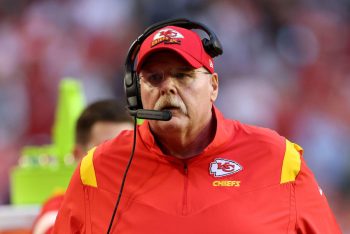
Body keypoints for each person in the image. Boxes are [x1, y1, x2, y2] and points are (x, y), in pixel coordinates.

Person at [52, 19, 341, 233]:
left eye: (183, 75)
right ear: (136, 91)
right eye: (154, 78)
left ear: (213, 86)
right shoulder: (97, 170)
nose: (168, 88)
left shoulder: (278, 159)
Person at [31, 99, 133, 234]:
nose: (120, 162)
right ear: (78, 155)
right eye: (106, 152)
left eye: (127, 151)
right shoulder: (56, 210)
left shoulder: (149, 204)